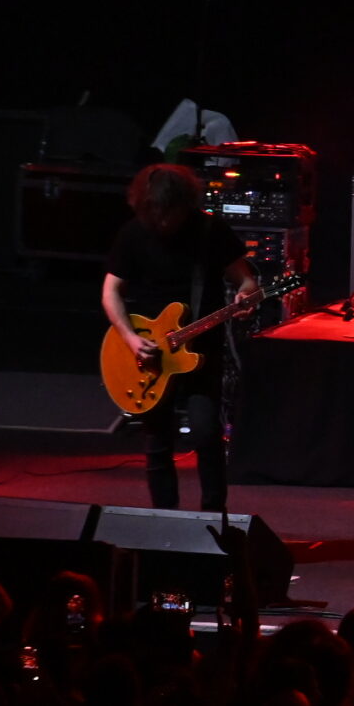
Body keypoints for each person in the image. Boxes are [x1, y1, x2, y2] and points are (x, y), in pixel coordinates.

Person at [101, 162, 260, 512]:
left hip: (201, 347)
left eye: (167, 213)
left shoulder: (210, 231)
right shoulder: (132, 234)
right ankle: (164, 517)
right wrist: (130, 338)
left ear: (184, 205)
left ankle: (213, 517)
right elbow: (110, 291)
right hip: (150, 351)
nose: (160, 221)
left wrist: (247, 294)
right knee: (157, 440)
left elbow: (246, 279)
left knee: (206, 433)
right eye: (154, 213)